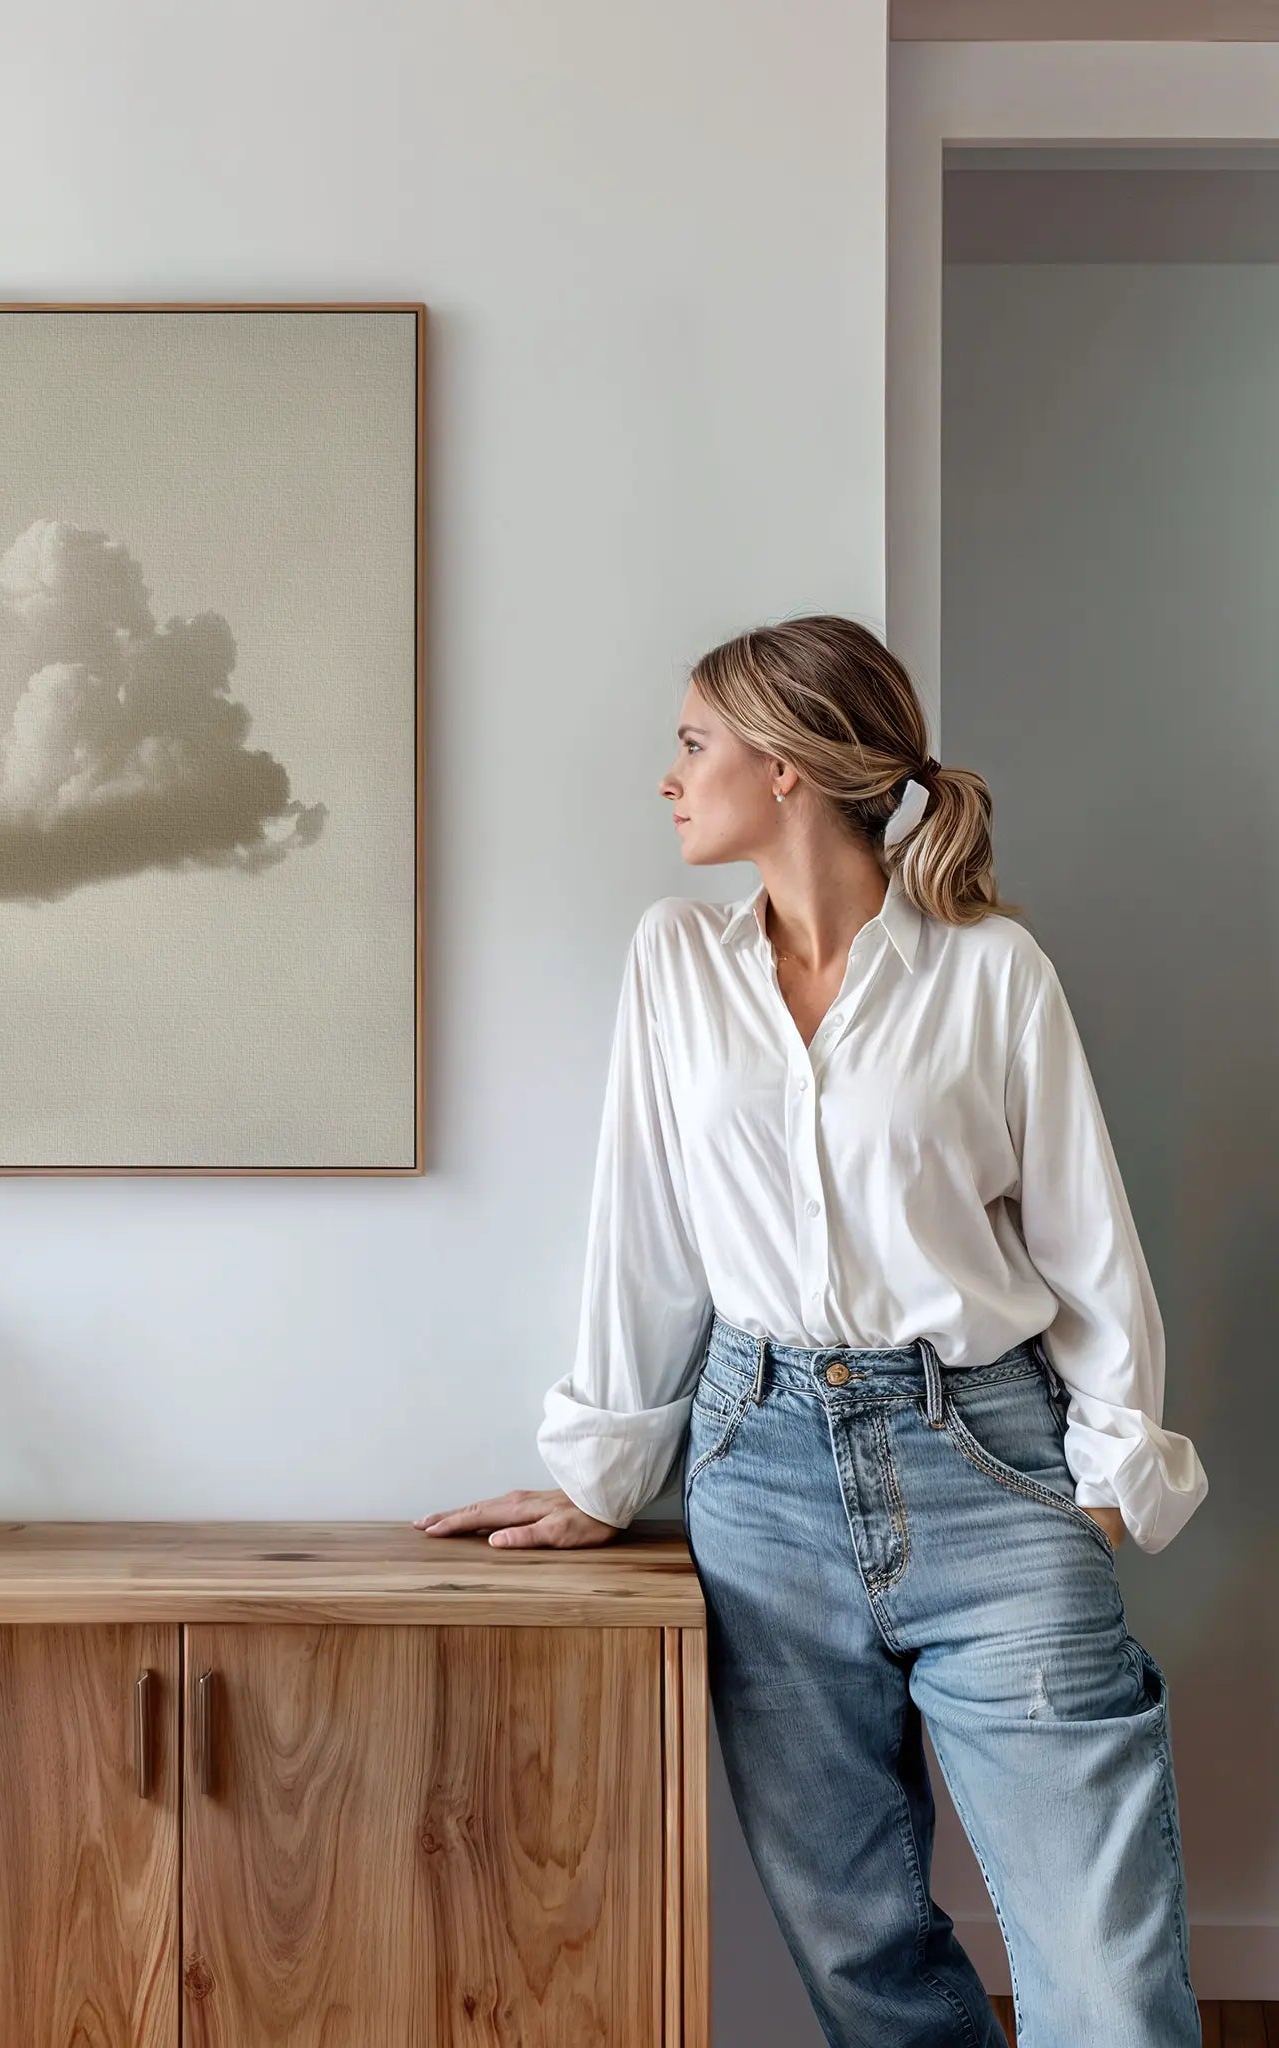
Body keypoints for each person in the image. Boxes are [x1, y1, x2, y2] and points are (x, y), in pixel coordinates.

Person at [413, 616, 1207, 2047]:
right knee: (863, 1960)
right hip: (758, 1475)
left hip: (991, 1462)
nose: (669, 777)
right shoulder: (675, 964)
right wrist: (605, 1474)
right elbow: (641, 1231)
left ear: (785, 770)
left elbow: (1089, 1242)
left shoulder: (990, 971)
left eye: (693, 743)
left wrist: (1107, 1480)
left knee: (1104, 1972)